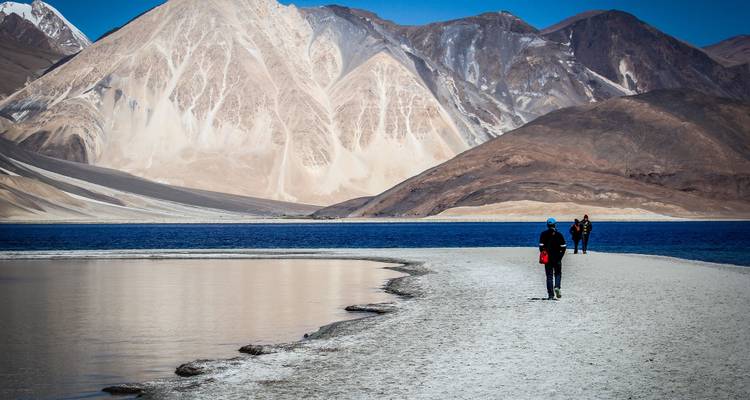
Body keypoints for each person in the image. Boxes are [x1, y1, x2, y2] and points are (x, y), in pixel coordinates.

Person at [539, 218, 567, 300]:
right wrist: (560, 257)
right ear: (555, 224)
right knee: (558, 274)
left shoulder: (543, 234)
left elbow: (541, 247)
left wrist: (544, 254)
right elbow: (564, 247)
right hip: (557, 258)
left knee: (549, 276)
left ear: (547, 225)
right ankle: (557, 287)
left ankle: (551, 295)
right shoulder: (559, 234)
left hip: (547, 259)